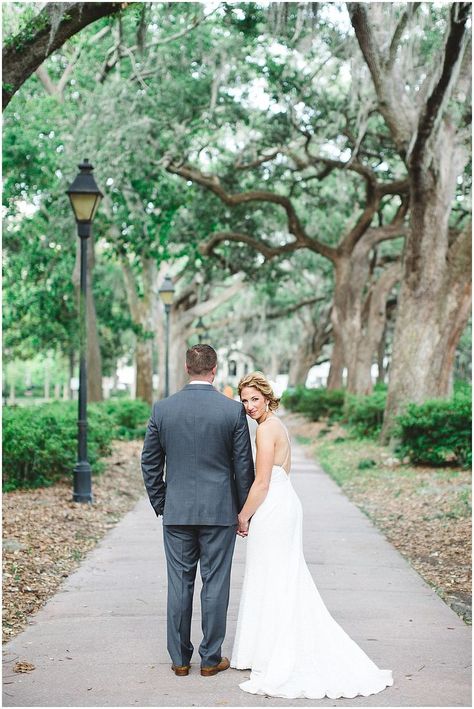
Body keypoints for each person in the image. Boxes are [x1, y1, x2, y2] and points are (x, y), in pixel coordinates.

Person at [231, 371, 393, 700]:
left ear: (266, 397)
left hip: (272, 508)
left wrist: (243, 516)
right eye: (244, 400)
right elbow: (281, 473)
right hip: (285, 501)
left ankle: (273, 651)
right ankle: (267, 646)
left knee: (273, 576)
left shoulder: (265, 430)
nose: (249, 406)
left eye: (254, 399)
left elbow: (262, 482)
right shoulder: (278, 425)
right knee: (282, 575)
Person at [141, 345, 254, 678]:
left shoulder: (163, 409)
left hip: (177, 512)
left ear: (187, 367)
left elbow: (149, 462)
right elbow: (243, 466)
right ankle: (209, 658)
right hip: (220, 512)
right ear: (215, 369)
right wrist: (243, 510)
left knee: (179, 583)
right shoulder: (231, 411)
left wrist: (162, 502)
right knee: (216, 584)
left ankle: (179, 659)